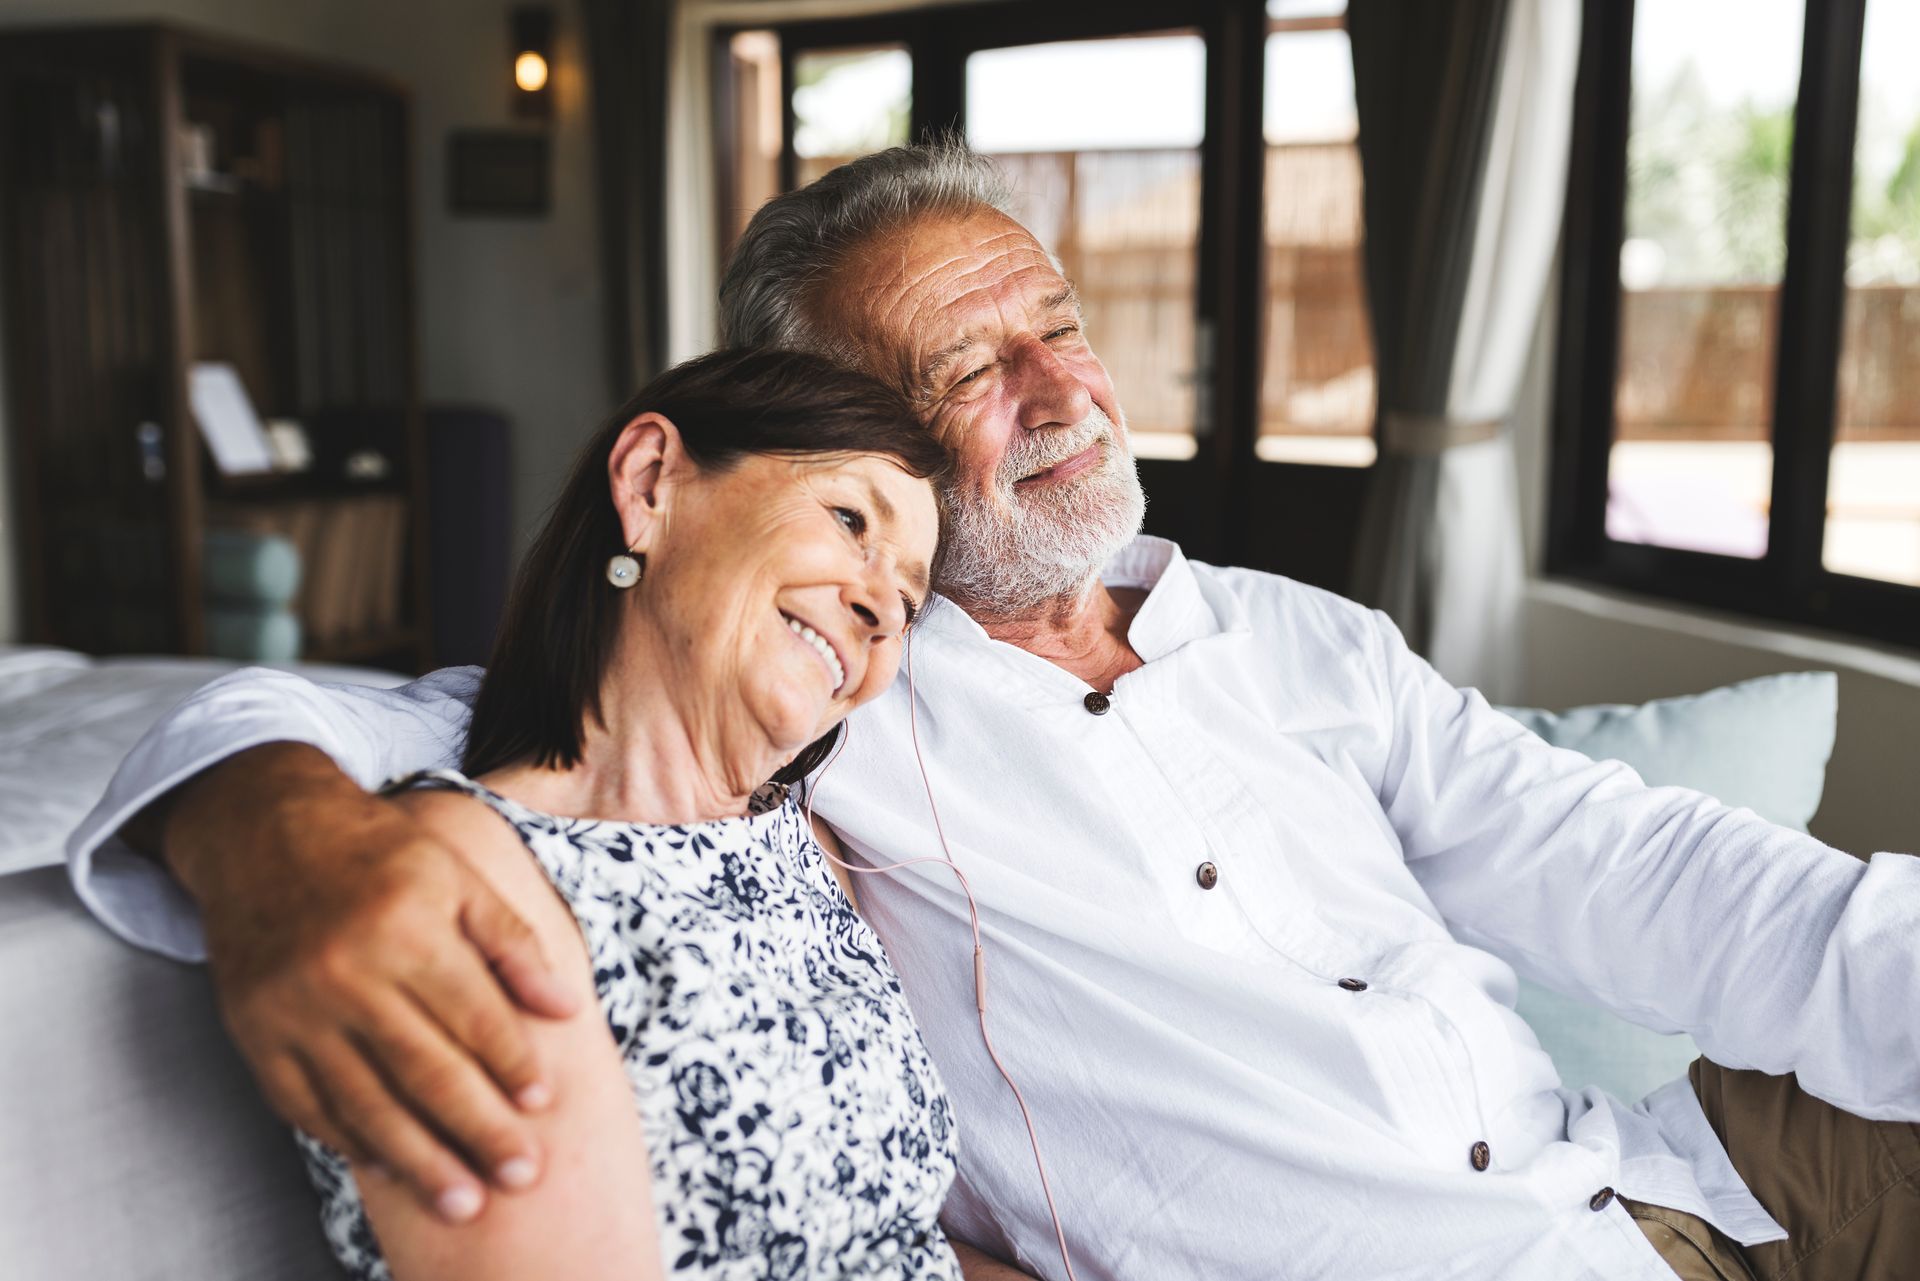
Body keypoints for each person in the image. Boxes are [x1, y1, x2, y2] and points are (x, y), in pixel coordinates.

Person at [72, 144, 1920, 1281]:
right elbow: (239, 723)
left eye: (1058, 321)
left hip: (1685, 1175)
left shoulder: (1299, 641)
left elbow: (1652, 870)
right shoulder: (815, 692)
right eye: (970, 364)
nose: (1061, 388)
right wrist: (276, 840)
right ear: (831, 434)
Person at [261, 346, 976, 1280]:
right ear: (650, 483)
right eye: (849, 520)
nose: (883, 606)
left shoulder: (801, 845)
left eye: (910, 601)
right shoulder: (466, 891)